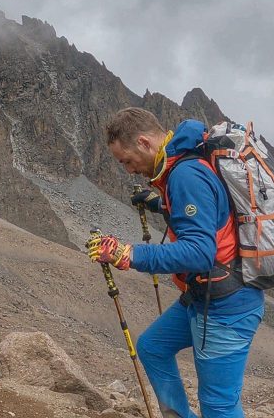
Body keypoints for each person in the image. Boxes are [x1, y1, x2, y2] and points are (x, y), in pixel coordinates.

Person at [88, 107, 264, 418]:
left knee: (219, 404)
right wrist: (158, 203)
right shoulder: (178, 166)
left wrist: (129, 254)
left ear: (144, 142)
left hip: (225, 306)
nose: (129, 170)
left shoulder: (185, 174)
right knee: (152, 347)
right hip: (203, 295)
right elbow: (207, 212)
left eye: (127, 161)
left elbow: (199, 252)